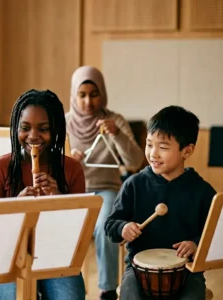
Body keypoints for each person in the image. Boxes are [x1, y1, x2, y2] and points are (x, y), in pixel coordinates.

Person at [104, 105, 216, 300]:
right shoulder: (134, 185)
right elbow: (110, 225)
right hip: (138, 271)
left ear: (187, 151)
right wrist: (123, 227)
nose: (153, 153)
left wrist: (197, 244)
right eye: (149, 144)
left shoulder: (202, 191)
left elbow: (216, 234)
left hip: (187, 270)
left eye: (162, 147)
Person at [0, 89, 87, 300]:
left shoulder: (72, 169)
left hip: (55, 256)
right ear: (15, 128)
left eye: (44, 129)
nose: (32, 136)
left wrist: (59, 199)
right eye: (25, 128)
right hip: (10, 259)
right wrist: (15, 208)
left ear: (56, 130)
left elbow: (79, 236)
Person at [66, 65, 144, 299]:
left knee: (105, 226)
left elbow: (135, 161)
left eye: (94, 94)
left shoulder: (115, 120)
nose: (88, 101)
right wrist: (68, 160)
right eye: (82, 95)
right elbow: (50, 165)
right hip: (72, 191)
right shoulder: (64, 123)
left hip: (107, 189)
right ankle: (64, 285)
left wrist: (116, 135)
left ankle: (107, 289)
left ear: (103, 94)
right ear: (73, 95)